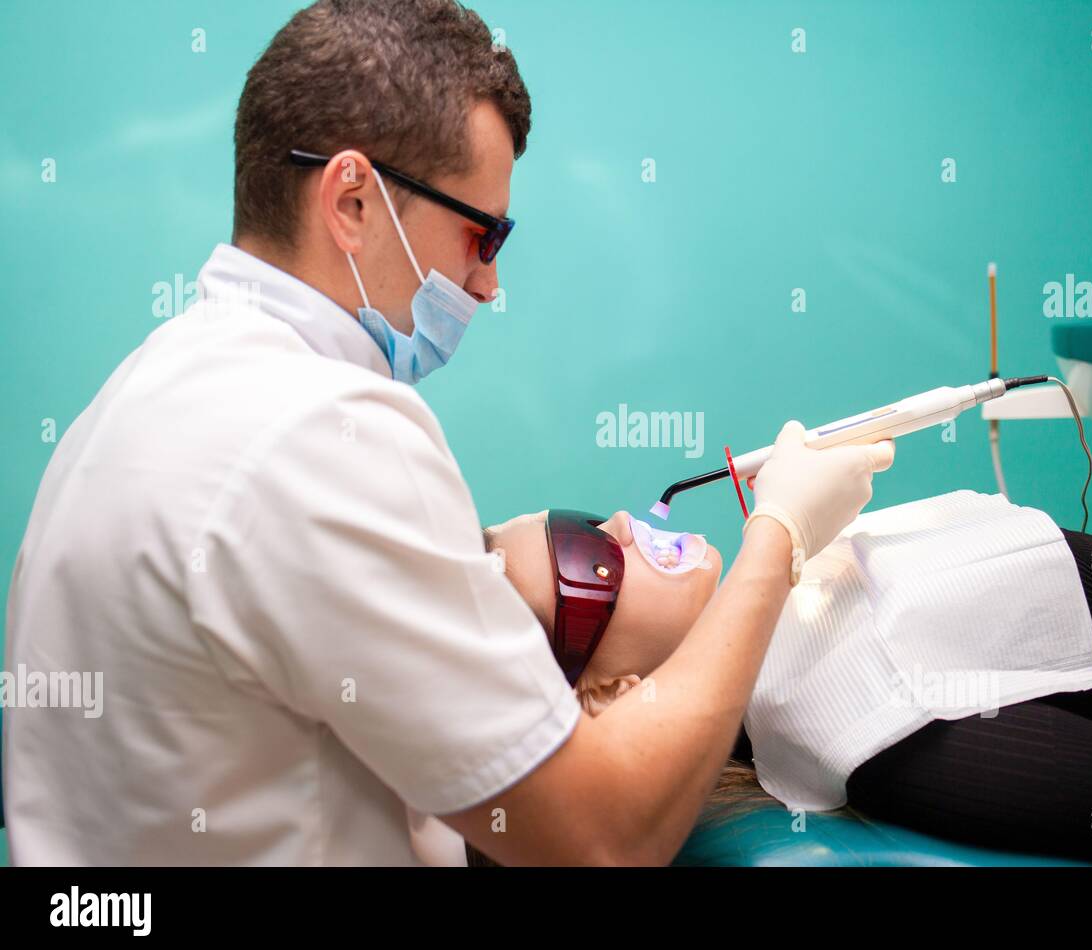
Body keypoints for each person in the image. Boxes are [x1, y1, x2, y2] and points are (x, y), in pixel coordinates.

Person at [0, 0, 893, 865]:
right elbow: (599, 843)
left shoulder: (134, 397)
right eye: (482, 234)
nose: (490, 283)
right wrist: (777, 539)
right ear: (351, 201)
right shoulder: (325, 432)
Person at [473, 500, 1092, 865]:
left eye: (580, 518)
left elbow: (1075, 657)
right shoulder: (869, 718)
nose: (618, 525)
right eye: (589, 561)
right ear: (609, 693)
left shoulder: (805, 611)